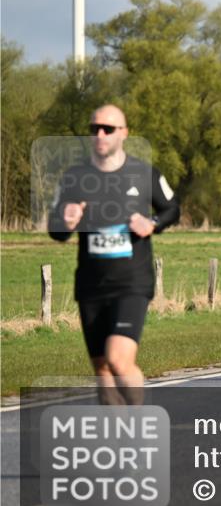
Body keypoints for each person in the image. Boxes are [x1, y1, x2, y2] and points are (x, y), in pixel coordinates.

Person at [48, 105, 180, 405]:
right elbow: (56, 231)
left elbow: (173, 208)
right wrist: (65, 221)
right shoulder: (74, 177)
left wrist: (153, 223)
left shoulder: (144, 173)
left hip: (132, 282)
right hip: (91, 285)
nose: (100, 134)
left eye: (108, 128)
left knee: (118, 360)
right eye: (94, 128)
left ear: (124, 133)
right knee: (103, 371)